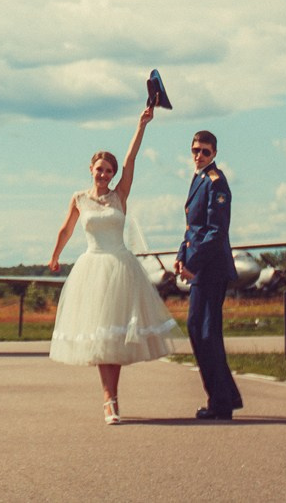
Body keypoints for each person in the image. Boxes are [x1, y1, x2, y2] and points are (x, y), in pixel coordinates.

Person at [47, 101, 180, 424]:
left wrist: (142, 125)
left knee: (117, 337)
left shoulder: (120, 194)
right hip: (92, 268)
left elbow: (132, 159)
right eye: (100, 169)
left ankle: (113, 399)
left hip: (120, 268)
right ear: (91, 169)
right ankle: (108, 400)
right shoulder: (79, 198)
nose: (104, 174)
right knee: (100, 336)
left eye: (109, 170)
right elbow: (66, 227)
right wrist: (55, 255)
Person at [174, 128, 242, 420]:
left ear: (214, 153)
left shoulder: (217, 182)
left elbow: (216, 232)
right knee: (197, 331)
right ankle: (225, 396)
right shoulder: (199, 179)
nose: (199, 156)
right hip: (199, 269)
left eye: (205, 151)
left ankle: (220, 403)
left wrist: (194, 263)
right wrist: (180, 257)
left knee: (206, 334)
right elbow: (193, 228)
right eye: (195, 150)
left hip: (211, 270)